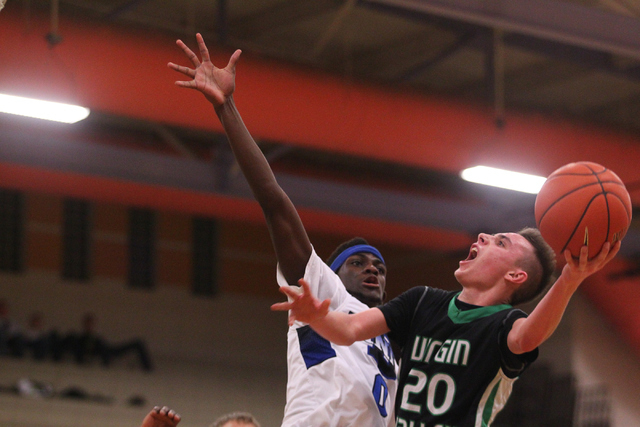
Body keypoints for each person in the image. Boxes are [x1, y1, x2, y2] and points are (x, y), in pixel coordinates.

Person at [169, 34, 397, 426]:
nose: (371, 269)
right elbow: (274, 203)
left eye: (377, 264)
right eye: (357, 263)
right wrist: (227, 109)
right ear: (330, 272)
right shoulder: (326, 292)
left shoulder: (396, 334)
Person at [274, 230, 620, 426]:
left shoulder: (504, 325)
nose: (483, 236)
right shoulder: (422, 301)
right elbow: (347, 330)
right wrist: (314, 315)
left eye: (500, 243)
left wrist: (570, 278)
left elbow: (530, 334)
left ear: (515, 276)